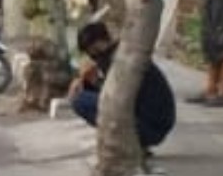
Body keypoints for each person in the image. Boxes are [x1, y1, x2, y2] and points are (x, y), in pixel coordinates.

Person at [67, 22, 176, 158]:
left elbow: (114, 99)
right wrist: (90, 83)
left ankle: (124, 143)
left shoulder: (115, 60)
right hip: (154, 124)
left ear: (97, 44)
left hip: (149, 126)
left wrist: (85, 84)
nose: (92, 57)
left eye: (91, 52)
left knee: (79, 100)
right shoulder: (122, 52)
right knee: (86, 95)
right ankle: (131, 143)